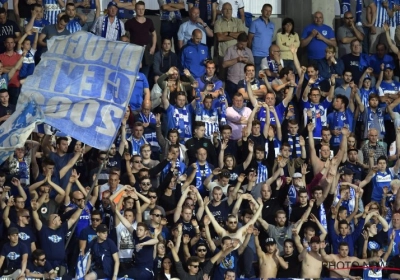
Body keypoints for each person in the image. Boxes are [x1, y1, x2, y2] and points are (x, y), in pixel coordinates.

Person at [214, 2, 246, 78]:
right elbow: (219, 38)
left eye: (229, 9)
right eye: (225, 9)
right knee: (222, 76)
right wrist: (235, 35)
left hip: (236, 54)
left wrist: (227, 33)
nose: (228, 11)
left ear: (232, 11)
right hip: (223, 54)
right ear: (221, 11)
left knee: (235, 76)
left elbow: (242, 36)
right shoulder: (218, 22)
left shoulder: (238, 21)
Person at [125, 1, 156, 77]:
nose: (141, 11)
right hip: (134, 51)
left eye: (143, 9)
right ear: (135, 9)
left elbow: (154, 34)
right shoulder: (130, 22)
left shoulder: (149, 21)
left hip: (146, 50)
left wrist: (153, 46)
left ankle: (143, 88)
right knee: (133, 74)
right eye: (139, 9)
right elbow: (124, 36)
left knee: (145, 74)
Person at [223, 32, 254, 99]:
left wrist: (247, 61)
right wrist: (236, 60)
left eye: (245, 45)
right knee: (230, 101)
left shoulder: (249, 51)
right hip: (232, 81)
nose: (243, 46)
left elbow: (253, 64)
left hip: (244, 81)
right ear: (237, 41)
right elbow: (224, 64)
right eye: (241, 44)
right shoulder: (230, 50)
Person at [248, 4, 275, 74]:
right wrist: (249, 52)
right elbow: (250, 39)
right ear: (262, 11)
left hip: (268, 55)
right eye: (266, 10)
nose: (268, 13)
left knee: (267, 77)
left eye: (270, 11)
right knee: (257, 75)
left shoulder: (272, 25)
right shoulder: (255, 23)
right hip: (257, 54)